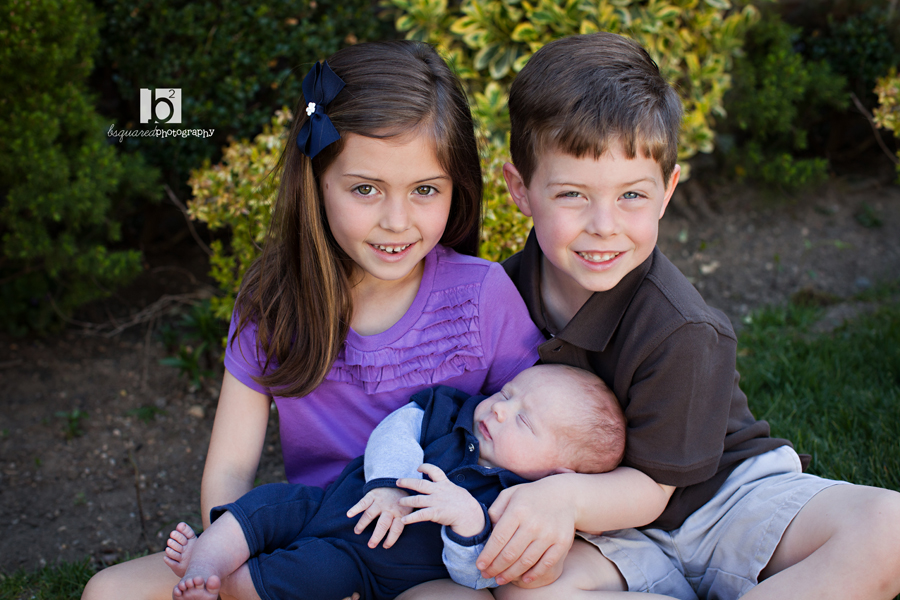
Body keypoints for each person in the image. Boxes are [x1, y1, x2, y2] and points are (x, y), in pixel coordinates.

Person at [82, 40, 547, 600]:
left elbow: (543, 436)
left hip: (426, 561)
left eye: (425, 190)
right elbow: (229, 470)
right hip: (311, 534)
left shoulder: (482, 296)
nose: (396, 220)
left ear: (457, 187)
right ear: (317, 179)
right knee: (109, 591)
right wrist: (223, 552)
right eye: (365, 189)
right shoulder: (273, 303)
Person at [468, 32, 900, 599]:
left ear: (667, 191)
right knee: (522, 586)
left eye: (631, 196)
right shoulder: (497, 297)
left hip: (722, 499)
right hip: (604, 525)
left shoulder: (682, 328)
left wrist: (562, 498)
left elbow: (653, 488)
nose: (604, 225)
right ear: (520, 189)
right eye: (572, 194)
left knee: (888, 528)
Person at [162, 364, 625, 600]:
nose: (501, 409)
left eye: (523, 421)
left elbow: (478, 575)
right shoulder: (451, 411)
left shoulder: (514, 505)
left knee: (312, 576)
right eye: (508, 393)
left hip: (363, 563)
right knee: (267, 504)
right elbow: (396, 429)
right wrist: (387, 483)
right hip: (328, 502)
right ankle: (207, 557)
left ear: (557, 475)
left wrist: (467, 521)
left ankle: (223, 584)